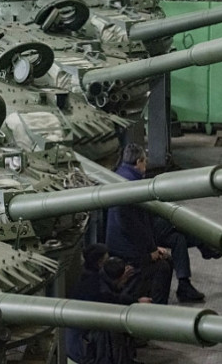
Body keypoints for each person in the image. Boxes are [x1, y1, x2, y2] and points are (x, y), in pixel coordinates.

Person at [105, 143, 174, 305]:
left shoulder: (119, 176)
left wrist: (152, 248)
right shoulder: (134, 186)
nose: (146, 165)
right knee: (164, 266)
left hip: (119, 245)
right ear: (138, 162)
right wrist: (150, 251)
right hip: (128, 251)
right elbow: (134, 225)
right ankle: (156, 308)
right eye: (145, 161)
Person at [66, 244, 149, 364]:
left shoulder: (88, 276)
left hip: (78, 339)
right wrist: (135, 301)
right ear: (100, 263)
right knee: (113, 326)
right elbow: (111, 300)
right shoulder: (94, 285)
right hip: (83, 345)